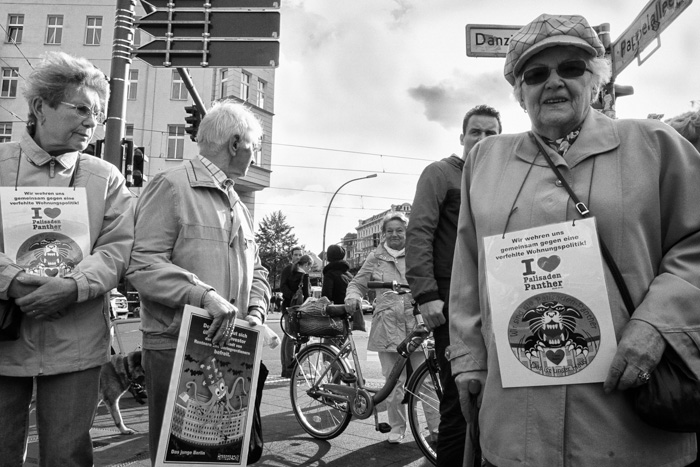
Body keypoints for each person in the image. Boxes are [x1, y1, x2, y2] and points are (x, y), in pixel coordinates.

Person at [448, 14, 700, 467]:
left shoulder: (654, 143)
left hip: (625, 423)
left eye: (571, 68)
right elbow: (467, 268)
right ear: (521, 93)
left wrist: (657, 323)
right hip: (515, 422)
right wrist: (468, 359)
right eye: (536, 74)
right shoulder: (484, 162)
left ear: (596, 82)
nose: (554, 82)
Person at [0, 51, 134, 466]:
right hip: (4, 341)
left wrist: (73, 286)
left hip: (77, 341)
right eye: (82, 108)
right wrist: (11, 279)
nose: (91, 121)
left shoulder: (105, 176)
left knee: (66, 456)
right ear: (40, 106)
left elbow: (119, 248)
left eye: (97, 113)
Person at [126, 99, 270, 465]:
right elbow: (142, 265)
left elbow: (259, 270)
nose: (256, 155)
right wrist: (202, 295)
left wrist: (255, 309)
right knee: (180, 455)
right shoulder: (172, 187)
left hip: (231, 347)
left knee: (219, 454)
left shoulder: (237, 201)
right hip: (176, 345)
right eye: (255, 145)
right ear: (236, 144)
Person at [406, 104, 501, 466]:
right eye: (475, 132)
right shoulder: (441, 173)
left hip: (493, 296)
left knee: (493, 393)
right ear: (462, 137)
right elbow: (419, 234)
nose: (482, 139)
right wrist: (427, 295)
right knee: (459, 397)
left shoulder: (500, 178)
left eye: (491, 133)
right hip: (450, 301)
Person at [346, 211, 435, 444]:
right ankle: (397, 427)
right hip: (386, 325)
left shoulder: (419, 253)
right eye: (389, 231)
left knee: (426, 380)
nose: (394, 234)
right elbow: (358, 282)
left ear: (407, 232)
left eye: (399, 230)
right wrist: (353, 296)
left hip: (416, 323)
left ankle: (436, 430)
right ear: (383, 234)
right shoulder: (375, 257)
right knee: (394, 382)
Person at [279, 246, 304, 378]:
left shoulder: (300, 270)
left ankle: (286, 367)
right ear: (291, 256)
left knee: (288, 336)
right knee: (290, 336)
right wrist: (293, 296)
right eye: (295, 254)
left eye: (300, 254)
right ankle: (288, 368)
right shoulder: (288, 269)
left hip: (295, 307)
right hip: (289, 307)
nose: (298, 257)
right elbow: (282, 286)